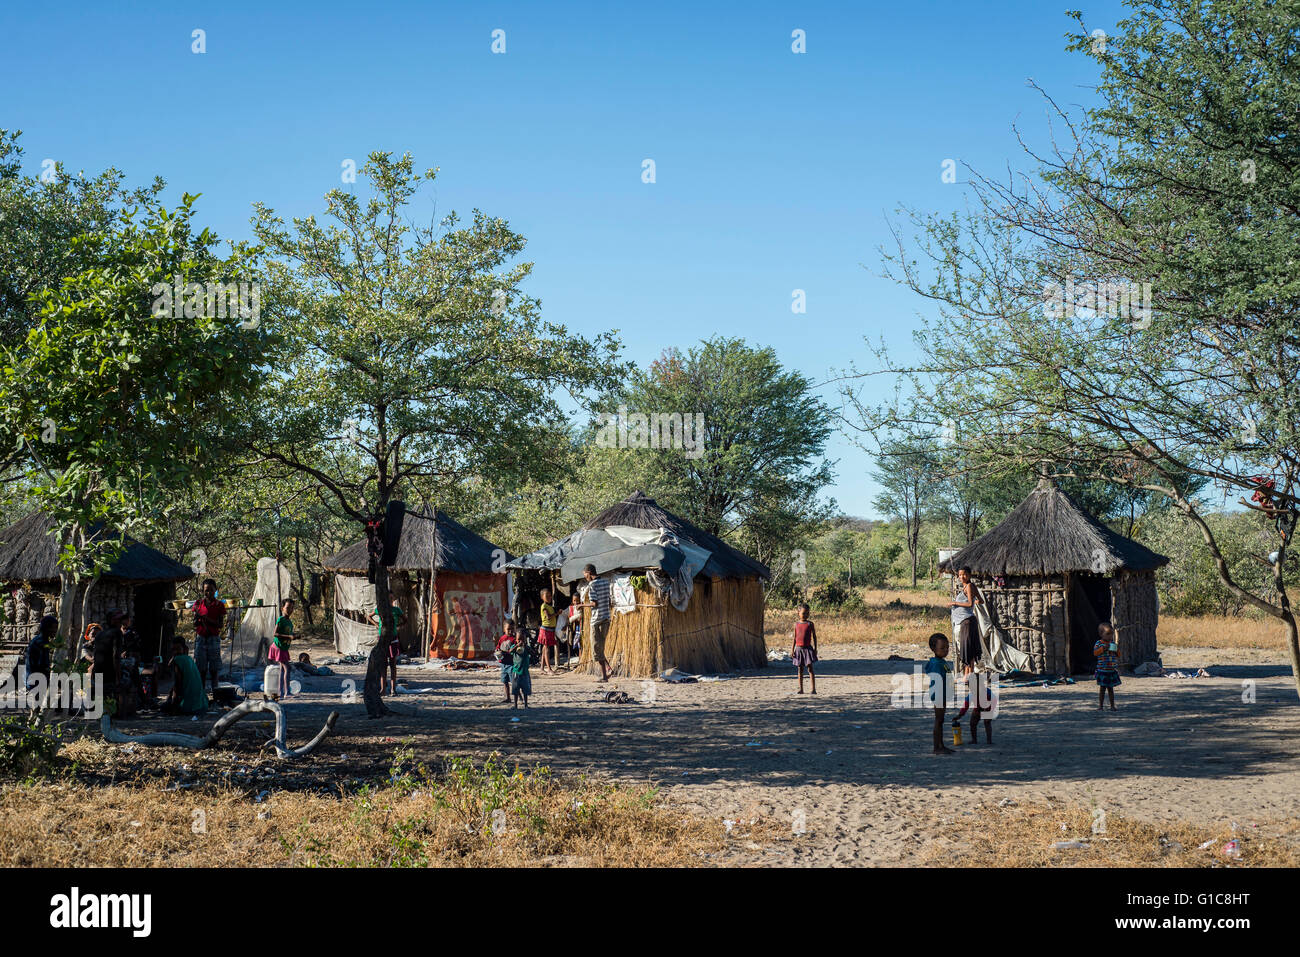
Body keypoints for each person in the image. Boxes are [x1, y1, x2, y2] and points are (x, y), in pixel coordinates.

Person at [949, 566, 989, 738]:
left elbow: (970, 603)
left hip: (967, 622)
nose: (961, 577)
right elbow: (980, 601)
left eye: (964, 574)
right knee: (968, 648)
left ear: (970, 575)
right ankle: (968, 674)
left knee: (968, 649)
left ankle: (968, 675)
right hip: (966, 621)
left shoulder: (969, 586)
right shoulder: (967, 587)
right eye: (959, 575)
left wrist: (955, 603)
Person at [575, 564, 612, 681]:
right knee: (600, 647)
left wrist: (581, 605)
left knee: (596, 648)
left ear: (589, 572)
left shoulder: (592, 585)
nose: (585, 577)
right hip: (606, 618)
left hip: (596, 620)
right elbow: (609, 601)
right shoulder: (606, 583)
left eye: (585, 574)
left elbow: (594, 603)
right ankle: (608, 670)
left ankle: (606, 674)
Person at [191, 579, 226, 698]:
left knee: (214, 668)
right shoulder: (198, 604)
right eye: (206, 591)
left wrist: (206, 619)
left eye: (211, 590)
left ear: (215, 590)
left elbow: (220, 624)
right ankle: (202, 695)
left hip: (213, 639)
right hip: (201, 638)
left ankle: (215, 693)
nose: (209, 593)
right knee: (201, 668)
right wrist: (197, 618)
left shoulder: (219, 605)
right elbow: (195, 623)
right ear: (203, 591)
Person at [924, 633, 955, 755]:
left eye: (947, 647)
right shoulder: (936, 664)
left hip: (943, 694)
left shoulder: (941, 661)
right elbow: (937, 679)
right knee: (938, 720)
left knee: (941, 720)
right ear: (933, 649)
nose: (946, 650)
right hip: (939, 695)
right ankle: (936, 747)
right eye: (942, 648)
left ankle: (941, 745)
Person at [162, 637, 208, 715]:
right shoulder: (189, 659)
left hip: (191, 707)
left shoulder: (178, 660)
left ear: (184, 649)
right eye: (174, 649)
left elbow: (177, 686)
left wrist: (173, 705)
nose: (175, 652)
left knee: (164, 707)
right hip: (202, 706)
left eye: (177, 649)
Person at [368, 601, 403, 695]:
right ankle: (383, 690)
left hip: (393, 639)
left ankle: (393, 689)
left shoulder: (396, 610)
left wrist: (397, 627)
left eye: (391, 598)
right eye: (388, 598)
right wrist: (377, 625)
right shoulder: (380, 610)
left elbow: (405, 619)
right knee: (383, 665)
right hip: (382, 639)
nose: (390, 600)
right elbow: (369, 616)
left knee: (393, 665)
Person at [267, 598, 294, 698]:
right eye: (287, 608)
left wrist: (294, 636)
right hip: (279, 647)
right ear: (282, 608)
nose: (289, 610)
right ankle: (287, 692)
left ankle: (281, 692)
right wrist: (289, 637)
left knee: (283, 670)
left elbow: (288, 634)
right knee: (287, 668)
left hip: (283, 648)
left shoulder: (289, 622)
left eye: (291, 608)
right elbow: (275, 634)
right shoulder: (281, 619)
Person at [23, 614, 57, 689]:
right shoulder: (41, 643)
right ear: (46, 628)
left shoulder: (39, 640)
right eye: (53, 627)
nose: (55, 630)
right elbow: (42, 666)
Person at [791, 603, 818, 694]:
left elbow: (814, 637)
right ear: (798, 613)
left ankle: (813, 689)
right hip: (798, 649)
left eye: (807, 613)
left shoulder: (810, 624)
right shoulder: (796, 624)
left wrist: (815, 648)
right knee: (800, 669)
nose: (806, 615)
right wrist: (792, 650)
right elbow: (794, 638)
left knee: (810, 668)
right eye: (803, 613)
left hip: (808, 649)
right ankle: (801, 689)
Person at [1094, 622, 1121, 711]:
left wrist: (1116, 650)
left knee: (1110, 689)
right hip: (1102, 670)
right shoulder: (1099, 643)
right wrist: (1103, 648)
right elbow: (1095, 653)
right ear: (1101, 634)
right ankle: (1100, 706)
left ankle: (1112, 706)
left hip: (1111, 670)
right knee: (1102, 689)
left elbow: (1118, 655)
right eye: (1107, 634)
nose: (1110, 636)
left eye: (1111, 634)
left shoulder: (1112, 643)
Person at [536, 587, 559, 675]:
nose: (549, 597)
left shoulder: (549, 606)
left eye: (550, 596)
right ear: (542, 597)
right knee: (547, 649)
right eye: (547, 596)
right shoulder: (544, 606)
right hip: (546, 630)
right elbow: (548, 616)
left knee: (545, 648)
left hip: (550, 630)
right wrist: (557, 613)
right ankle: (549, 669)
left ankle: (542, 667)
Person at [495, 621, 518, 703]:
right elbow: (498, 647)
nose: (510, 631)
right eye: (508, 629)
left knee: (513, 682)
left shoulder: (515, 639)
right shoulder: (502, 638)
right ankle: (508, 698)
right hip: (503, 663)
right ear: (504, 629)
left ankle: (517, 698)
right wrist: (498, 651)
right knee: (505, 681)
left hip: (512, 663)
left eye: (512, 629)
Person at [511, 629, 532, 709]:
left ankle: (526, 704)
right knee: (516, 690)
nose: (521, 641)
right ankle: (515, 705)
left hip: (525, 672)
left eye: (522, 639)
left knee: (525, 690)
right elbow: (510, 651)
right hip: (516, 672)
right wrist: (517, 646)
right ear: (516, 640)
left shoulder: (526, 648)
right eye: (519, 639)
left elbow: (532, 652)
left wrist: (526, 647)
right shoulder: (514, 647)